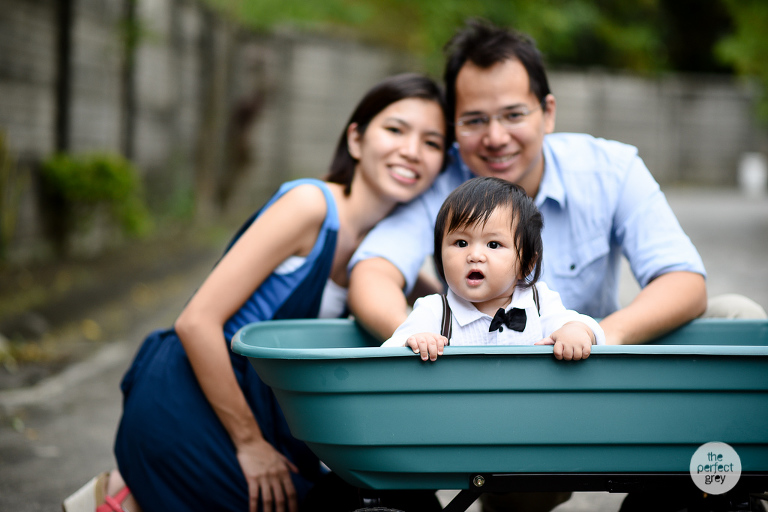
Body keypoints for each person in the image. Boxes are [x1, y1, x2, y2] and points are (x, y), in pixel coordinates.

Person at [345, 18, 734, 512]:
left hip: (598, 375)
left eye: (513, 114)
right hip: (492, 407)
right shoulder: (445, 184)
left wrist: (594, 337)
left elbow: (683, 280)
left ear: (547, 112)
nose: (495, 137)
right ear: (453, 127)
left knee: (736, 315)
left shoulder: (611, 168)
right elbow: (372, 272)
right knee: (511, 491)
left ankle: (691, 488)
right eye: (474, 120)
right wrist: (421, 335)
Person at [62, 73, 448, 512]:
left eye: (432, 143)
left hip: (266, 417)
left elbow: (438, 311)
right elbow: (196, 321)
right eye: (395, 130)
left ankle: (127, 498)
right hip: (194, 400)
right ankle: (122, 497)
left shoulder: (388, 248)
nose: (412, 151)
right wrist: (250, 445)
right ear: (356, 139)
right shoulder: (311, 206)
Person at [383, 176, 605, 360]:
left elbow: (581, 325)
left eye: (493, 245)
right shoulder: (435, 311)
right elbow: (390, 351)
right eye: (461, 243)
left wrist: (576, 331)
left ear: (526, 263)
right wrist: (416, 341)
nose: (475, 255)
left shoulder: (539, 303)